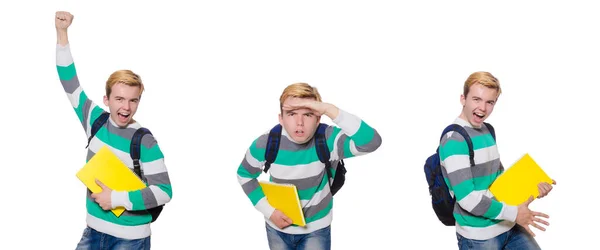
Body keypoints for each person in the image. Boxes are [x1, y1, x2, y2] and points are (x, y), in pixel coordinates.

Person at [55, 11, 172, 249]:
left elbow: (164, 192)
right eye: (119, 99)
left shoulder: (145, 141)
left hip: (130, 239)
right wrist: (62, 33)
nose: (126, 107)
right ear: (106, 100)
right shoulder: (94, 120)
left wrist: (116, 199)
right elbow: (69, 81)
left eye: (133, 100)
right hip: (92, 232)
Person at [236, 83, 382, 250]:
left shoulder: (328, 139)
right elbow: (244, 174)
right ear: (281, 118)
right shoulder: (267, 142)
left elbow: (372, 142)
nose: (300, 122)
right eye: (291, 114)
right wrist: (269, 212)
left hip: (316, 230)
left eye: (308, 114)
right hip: (276, 227)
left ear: (319, 118)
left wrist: (329, 109)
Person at [438, 71, 556, 249]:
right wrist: (515, 214)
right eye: (476, 99)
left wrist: (531, 187)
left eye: (489, 102)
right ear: (463, 99)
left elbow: (499, 181)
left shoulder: (487, 130)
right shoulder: (454, 140)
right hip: (479, 237)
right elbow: (468, 199)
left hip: (508, 225)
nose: (482, 108)